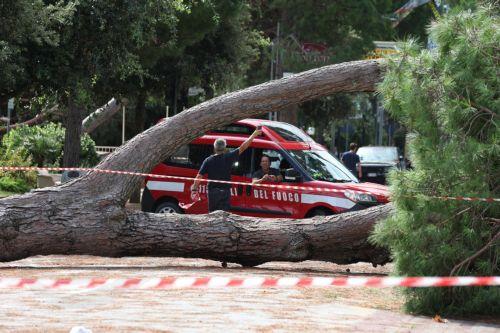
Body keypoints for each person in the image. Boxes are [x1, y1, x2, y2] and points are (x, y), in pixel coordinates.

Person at [191, 128, 262, 212]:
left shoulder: (208, 160)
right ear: (225, 148)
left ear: (214, 148)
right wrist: (253, 135)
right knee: (224, 216)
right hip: (225, 192)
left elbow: (199, 176)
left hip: (213, 192)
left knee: (213, 215)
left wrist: (194, 190)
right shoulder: (229, 157)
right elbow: (243, 147)